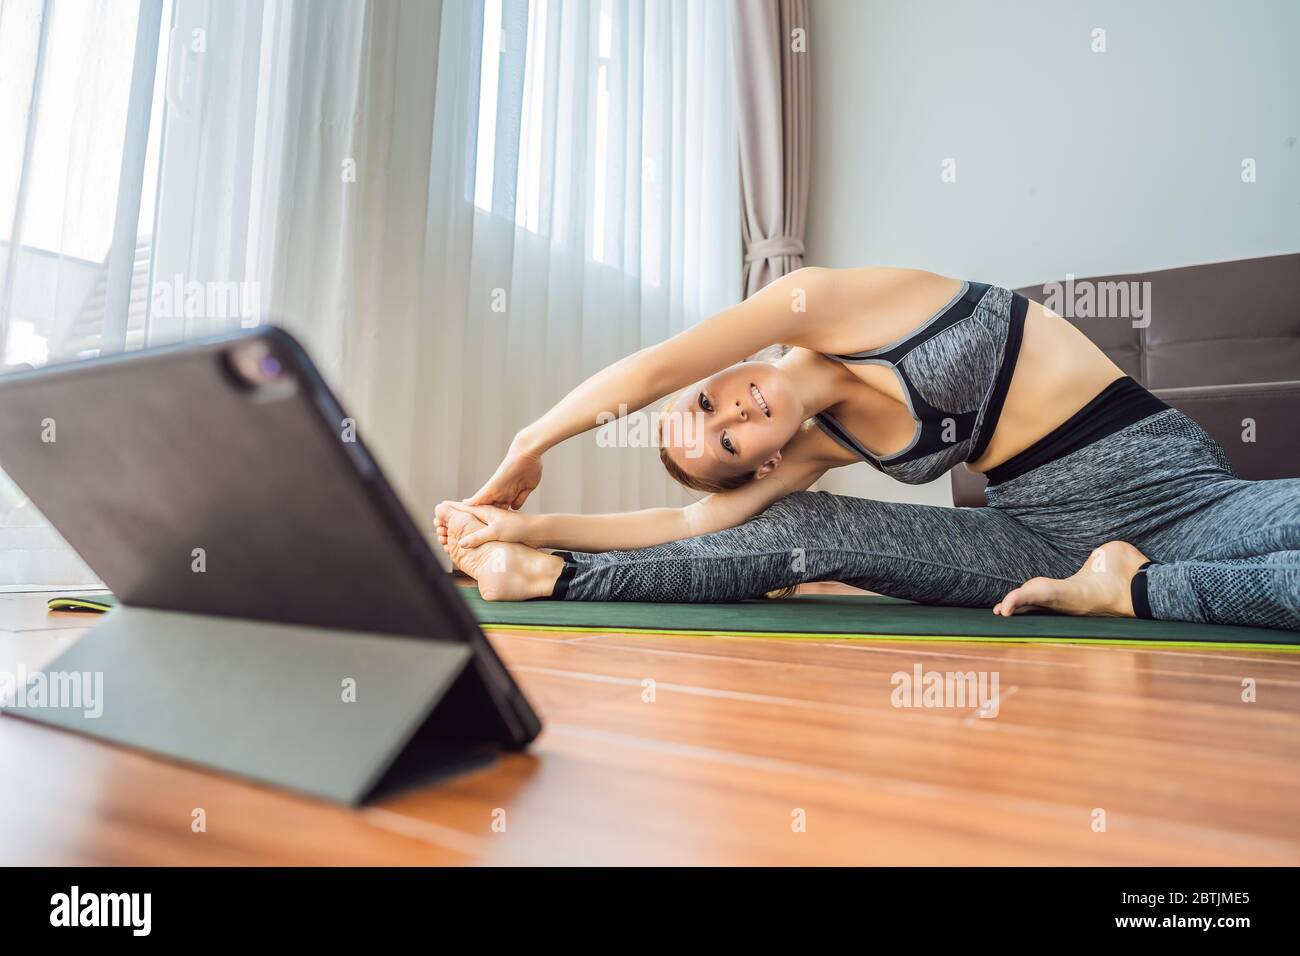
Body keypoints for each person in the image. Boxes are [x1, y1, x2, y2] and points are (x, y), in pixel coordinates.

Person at [435, 267, 1299, 631]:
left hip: (1180, 504)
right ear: (762, 461)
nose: (732, 411)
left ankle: (1133, 593)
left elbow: (658, 364)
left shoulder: (823, 304)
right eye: (730, 441)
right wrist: (531, 529)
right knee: (804, 532)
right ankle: (551, 580)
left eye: (708, 402)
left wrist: (530, 443)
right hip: (1034, 544)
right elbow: (688, 520)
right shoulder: (812, 450)